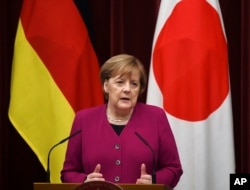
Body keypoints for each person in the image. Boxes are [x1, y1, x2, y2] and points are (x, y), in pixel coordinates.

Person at [61, 54, 183, 188]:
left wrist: (153, 181)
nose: (127, 89)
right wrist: (85, 180)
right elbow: (68, 172)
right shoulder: (84, 119)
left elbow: (174, 168)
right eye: (120, 82)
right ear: (106, 86)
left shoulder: (156, 117)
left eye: (134, 84)